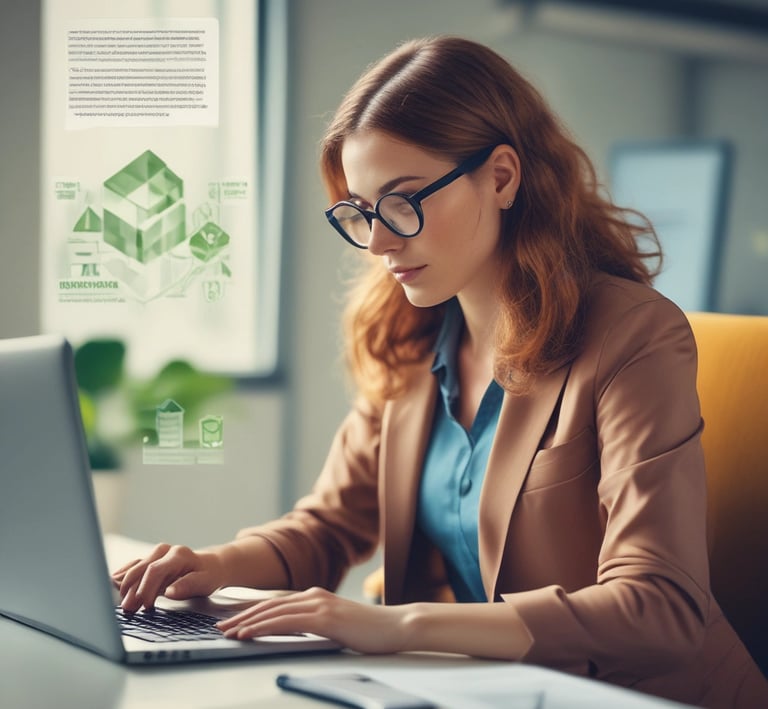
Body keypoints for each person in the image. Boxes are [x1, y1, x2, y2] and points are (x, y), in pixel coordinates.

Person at [114, 36, 768, 708]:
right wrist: (213, 565)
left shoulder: (633, 334)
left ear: (503, 176)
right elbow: (331, 525)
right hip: (488, 692)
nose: (378, 241)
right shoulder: (411, 334)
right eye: (362, 212)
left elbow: (663, 605)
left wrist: (400, 626)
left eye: (403, 202)